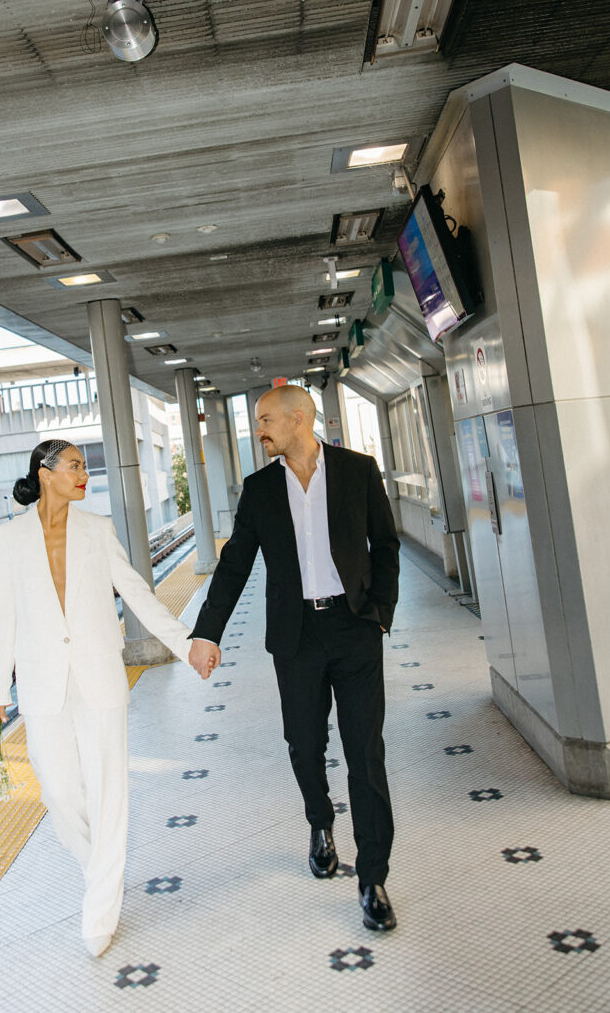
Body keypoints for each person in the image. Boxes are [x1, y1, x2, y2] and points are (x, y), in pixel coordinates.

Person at [0, 439, 216, 957]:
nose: (84, 474)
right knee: (60, 792)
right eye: (74, 466)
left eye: (84, 467)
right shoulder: (11, 538)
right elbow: (3, 615)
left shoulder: (97, 530)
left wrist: (186, 645)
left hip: (100, 679)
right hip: (44, 685)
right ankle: (102, 873)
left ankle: (100, 910)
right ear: (46, 474)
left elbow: (136, 592)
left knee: (110, 791)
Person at [189, 385, 400, 931]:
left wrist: (380, 612)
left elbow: (387, 544)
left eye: (265, 420)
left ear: (300, 418)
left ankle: (373, 876)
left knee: (365, 751)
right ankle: (320, 823)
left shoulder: (357, 470)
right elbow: (235, 564)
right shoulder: (259, 490)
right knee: (305, 744)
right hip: (296, 635)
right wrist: (206, 633)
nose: (258, 430)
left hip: (355, 629)